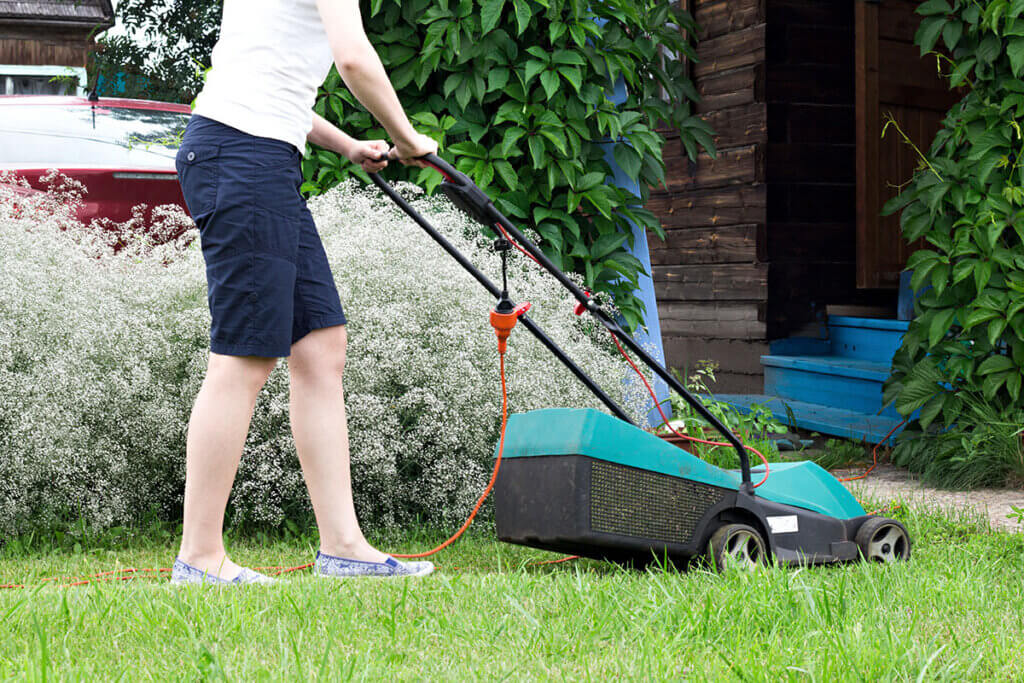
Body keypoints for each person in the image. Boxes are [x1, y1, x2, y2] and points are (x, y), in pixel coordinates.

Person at [170, 0, 438, 585]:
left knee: (320, 344)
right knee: (245, 354)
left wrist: (345, 144)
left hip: (252, 153)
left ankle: (343, 547)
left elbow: (270, 80)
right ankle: (199, 557)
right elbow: (353, 59)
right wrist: (407, 137)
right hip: (241, 156)